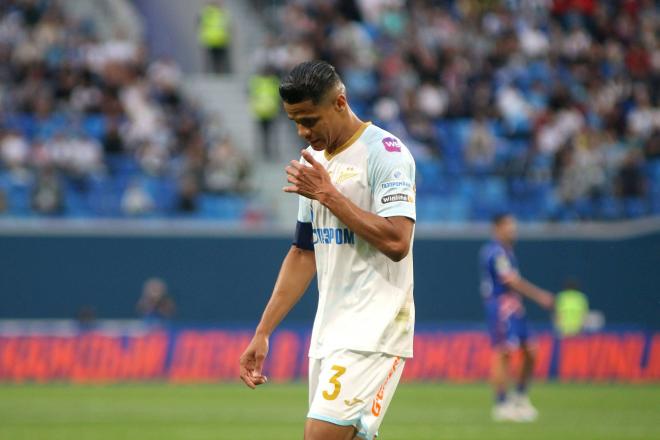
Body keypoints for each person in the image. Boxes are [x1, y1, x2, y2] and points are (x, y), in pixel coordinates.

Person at [239, 60, 416, 440]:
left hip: (375, 327)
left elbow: (398, 242)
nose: (303, 132)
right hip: (330, 332)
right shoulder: (315, 163)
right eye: (294, 122)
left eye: (310, 119)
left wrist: (328, 195)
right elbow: (304, 253)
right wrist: (263, 331)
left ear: (339, 102)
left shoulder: (386, 154)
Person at [478, 213, 554, 422]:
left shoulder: (508, 252)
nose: (513, 230)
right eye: (509, 226)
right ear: (497, 228)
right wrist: (540, 296)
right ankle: (501, 403)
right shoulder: (495, 252)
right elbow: (511, 281)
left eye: (514, 226)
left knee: (531, 349)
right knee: (503, 352)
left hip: (514, 306)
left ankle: (519, 397)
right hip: (501, 306)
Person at [198, 1, 231, 74]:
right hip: (215, 40)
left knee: (215, 60)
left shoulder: (207, 12)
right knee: (216, 60)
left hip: (217, 40)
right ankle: (215, 73)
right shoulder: (220, 13)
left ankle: (216, 73)